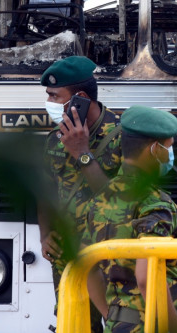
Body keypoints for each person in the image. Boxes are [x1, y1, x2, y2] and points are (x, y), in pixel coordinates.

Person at [37, 55, 123, 332]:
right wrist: (45, 234)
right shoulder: (55, 138)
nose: (49, 103)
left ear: (81, 98)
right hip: (69, 256)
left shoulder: (124, 137)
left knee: (119, 324)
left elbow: (120, 200)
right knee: (74, 325)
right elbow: (46, 192)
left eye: (54, 95)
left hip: (112, 256)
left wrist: (82, 154)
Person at [82, 106, 177, 333]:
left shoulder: (100, 197)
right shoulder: (155, 202)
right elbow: (146, 277)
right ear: (154, 150)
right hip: (150, 324)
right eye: (168, 148)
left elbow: (86, 266)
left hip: (115, 324)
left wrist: (111, 316)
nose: (170, 155)